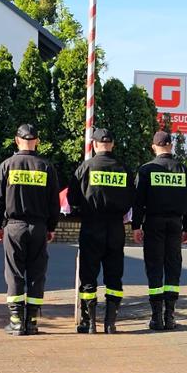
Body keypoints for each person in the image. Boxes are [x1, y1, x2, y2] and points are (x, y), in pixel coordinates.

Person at [0, 123, 62, 335]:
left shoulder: (7, 165)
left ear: (17, 140)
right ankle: (31, 320)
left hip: (13, 226)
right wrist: (51, 227)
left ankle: (15, 321)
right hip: (38, 227)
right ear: (37, 141)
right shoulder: (46, 167)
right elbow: (53, 203)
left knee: (14, 273)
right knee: (36, 273)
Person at [69, 127, 134, 333]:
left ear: (94, 145)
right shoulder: (124, 169)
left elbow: (72, 199)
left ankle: (89, 323)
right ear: (112, 144)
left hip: (91, 226)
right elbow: (133, 199)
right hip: (115, 227)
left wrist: (84, 210)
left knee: (89, 275)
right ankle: (110, 323)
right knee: (114, 276)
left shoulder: (85, 168)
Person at [132, 131, 187, 330]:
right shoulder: (183, 170)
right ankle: (170, 316)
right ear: (171, 146)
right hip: (175, 224)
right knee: (173, 267)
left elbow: (138, 201)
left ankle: (156, 317)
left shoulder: (146, 170)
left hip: (153, 223)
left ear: (154, 147)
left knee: (154, 267)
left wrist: (136, 226)